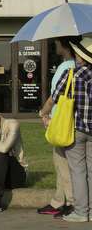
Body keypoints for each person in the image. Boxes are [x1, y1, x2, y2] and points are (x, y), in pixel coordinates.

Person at [47, 36, 92, 222]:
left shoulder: (72, 74)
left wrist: (43, 112)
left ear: (79, 57)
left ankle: (82, 212)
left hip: (77, 128)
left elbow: (55, 98)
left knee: (78, 171)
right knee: (91, 170)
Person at [37, 37, 78, 218]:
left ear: (64, 46)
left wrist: (44, 114)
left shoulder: (67, 67)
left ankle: (70, 202)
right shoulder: (76, 65)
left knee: (63, 163)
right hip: (68, 120)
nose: (54, 45)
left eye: (56, 43)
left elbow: (57, 96)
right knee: (61, 162)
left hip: (62, 121)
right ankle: (59, 201)